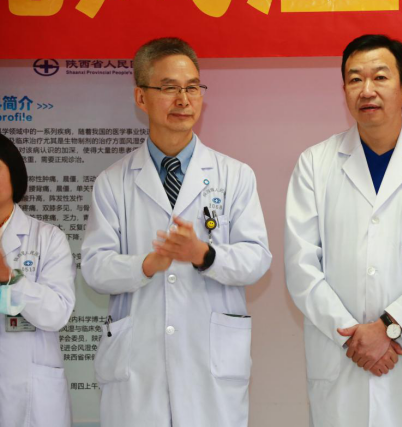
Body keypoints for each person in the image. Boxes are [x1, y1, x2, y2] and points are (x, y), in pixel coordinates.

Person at [284, 34, 402, 426]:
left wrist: (389, 325)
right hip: (343, 353)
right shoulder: (315, 164)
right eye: (355, 79)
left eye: (380, 77)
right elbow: (300, 267)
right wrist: (354, 337)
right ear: (343, 90)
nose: (366, 90)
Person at [81, 38, 272, 427]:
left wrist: (204, 255)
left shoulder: (235, 176)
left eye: (192, 88)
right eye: (169, 88)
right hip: (138, 367)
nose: (184, 100)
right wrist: (146, 265)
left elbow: (257, 259)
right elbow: (95, 268)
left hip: (209, 364)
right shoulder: (112, 182)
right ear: (141, 96)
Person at [0, 133, 76, 427]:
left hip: (32, 394)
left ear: (14, 174)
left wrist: (10, 279)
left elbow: (57, 313)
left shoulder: (47, 238)